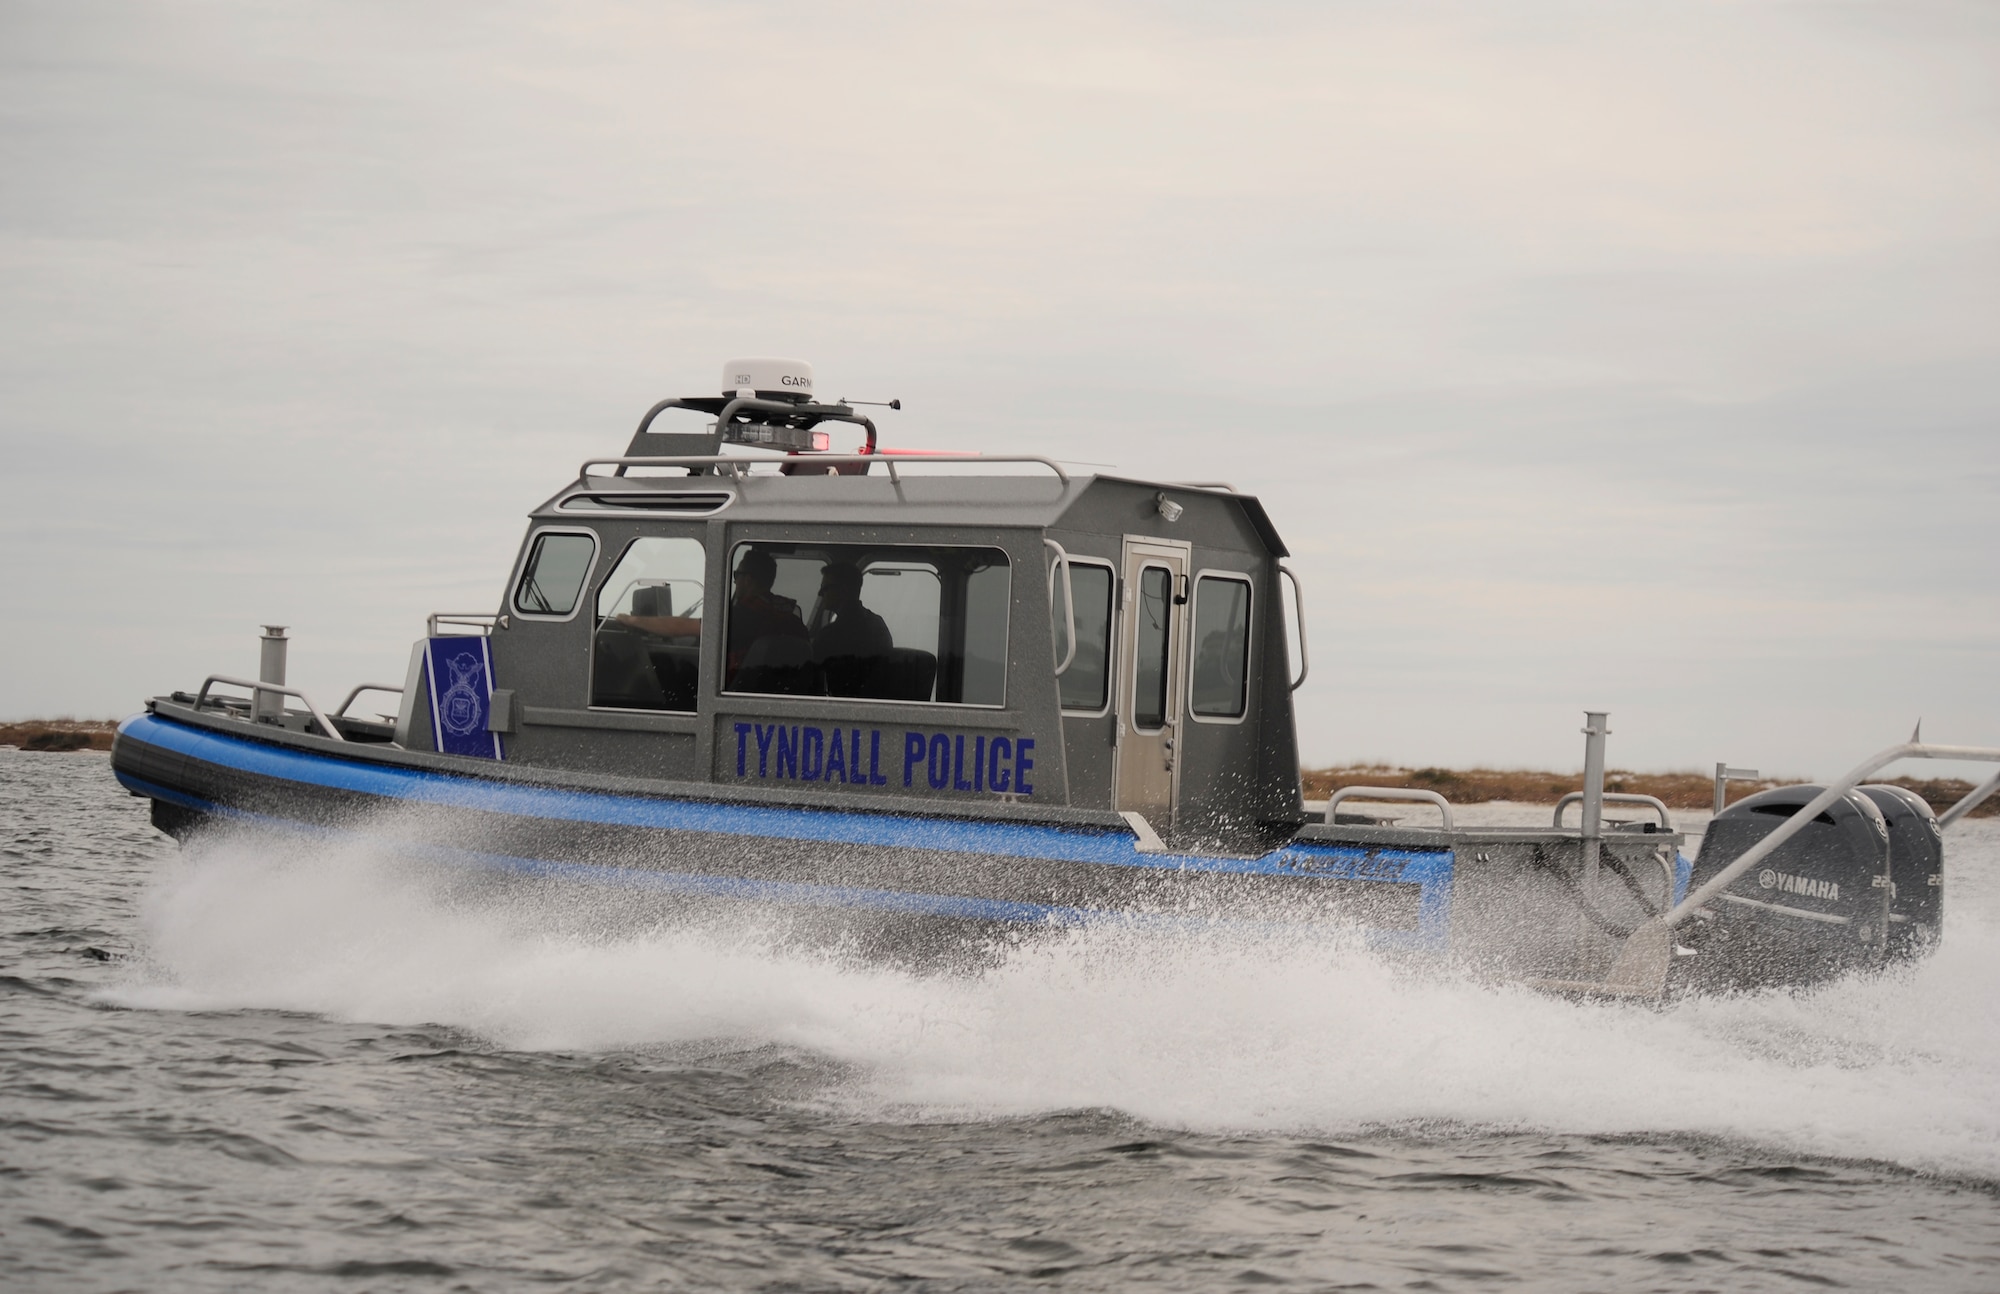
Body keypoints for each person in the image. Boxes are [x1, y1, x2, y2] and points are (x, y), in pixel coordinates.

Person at [725, 548, 807, 684]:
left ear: (748, 579)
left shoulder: (739, 616)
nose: (734, 581)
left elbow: (704, 630)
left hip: (739, 688)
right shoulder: (792, 619)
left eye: (736, 575)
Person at [810, 562, 893, 682]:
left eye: (825, 588)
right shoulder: (877, 623)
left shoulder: (830, 634)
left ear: (843, 590)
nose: (820, 593)